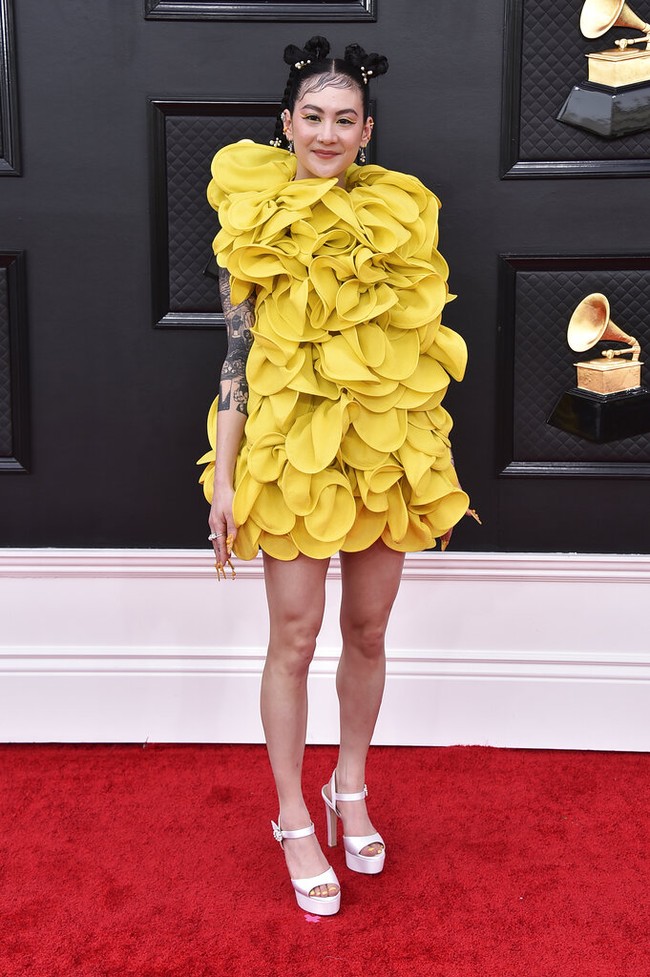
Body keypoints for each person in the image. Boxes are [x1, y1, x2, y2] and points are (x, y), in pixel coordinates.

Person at [198, 35, 472, 916]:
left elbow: (420, 346)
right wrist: (227, 479)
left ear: (367, 130)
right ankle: (291, 817)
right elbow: (235, 361)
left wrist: (424, 453)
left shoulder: (400, 216)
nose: (326, 132)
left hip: (383, 449)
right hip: (289, 453)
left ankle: (348, 786)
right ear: (285, 124)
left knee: (368, 627)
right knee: (294, 634)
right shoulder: (250, 219)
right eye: (311, 116)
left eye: (343, 119)